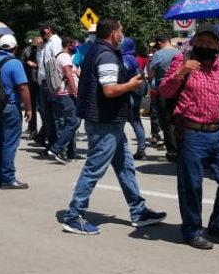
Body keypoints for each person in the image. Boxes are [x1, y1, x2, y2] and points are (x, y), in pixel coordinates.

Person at [60, 18, 166, 235]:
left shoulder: (96, 50)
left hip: (109, 121)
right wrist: (131, 85)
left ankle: (138, 211)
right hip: (104, 122)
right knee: (94, 168)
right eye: (121, 30)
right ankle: (73, 215)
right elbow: (109, 91)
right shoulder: (106, 55)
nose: (123, 33)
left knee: (125, 166)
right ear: (113, 33)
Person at [161, 24, 219, 249]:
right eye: (201, 41)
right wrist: (181, 73)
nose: (205, 46)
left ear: (218, 45)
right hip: (191, 131)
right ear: (194, 41)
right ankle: (192, 230)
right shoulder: (181, 60)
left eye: (210, 43)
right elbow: (165, 91)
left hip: (217, 132)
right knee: (192, 185)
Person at [0, 34, 32, 189]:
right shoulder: (15, 63)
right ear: (15, 47)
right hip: (10, 106)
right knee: (10, 143)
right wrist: (29, 108)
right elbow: (23, 87)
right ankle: (8, 177)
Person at [146, 33, 180, 161]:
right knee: (178, 119)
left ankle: (172, 152)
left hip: (164, 90)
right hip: (179, 89)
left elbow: (151, 74)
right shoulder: (179, 53)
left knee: (166, 121)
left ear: (159, 43)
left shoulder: (158, 54)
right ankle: (181, 147)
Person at [46, 37, 80, 164]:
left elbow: (76, 72)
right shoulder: (65, 57)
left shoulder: (61, 56)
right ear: (70, 45)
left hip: (62, 94)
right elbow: (69, 76)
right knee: (73, 122)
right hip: (65, 94)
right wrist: (77, 93)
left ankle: (70, 153)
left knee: (70, 123)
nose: (76, 47)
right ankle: (56, 149)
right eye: (75, 44)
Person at [35, 20, 63, 149]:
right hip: (44, 83)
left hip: (50, 84)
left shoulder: (55, 42)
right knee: (47, 117)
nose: (41, 31)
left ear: (48, 29)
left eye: (43, 29)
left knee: (55, 117)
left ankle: (58, 146)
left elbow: (56, 63)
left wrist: (55, 85)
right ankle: (51, 144)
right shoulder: (47, 44)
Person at [120, 37, 147, 159]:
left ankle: (122, 150)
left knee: (119, 124)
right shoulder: (133, 58)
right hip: (134, 96)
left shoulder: (126, 59)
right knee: (136, 122)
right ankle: (141, 149)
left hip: (128, 96)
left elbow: (121, 74)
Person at [21, 37, 42, 138]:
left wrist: (36, 65)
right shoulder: (26, 51)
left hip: (40, 81)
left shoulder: (43, 51)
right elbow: (21, 63)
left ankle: (44, 131)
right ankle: (32, 128)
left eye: (38, 44)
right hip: (30, 80)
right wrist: (27, 63)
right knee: (32, 106)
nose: (36, 46)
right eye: (34, 44)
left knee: (42, 107)